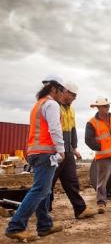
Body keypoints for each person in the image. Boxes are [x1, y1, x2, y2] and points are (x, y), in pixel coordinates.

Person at [5, 78, 65, 242]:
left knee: (45, 189)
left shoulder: (39, 104)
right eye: (62, 91)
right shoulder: (51, 104)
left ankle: (45, 225)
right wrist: (61, 149)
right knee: (40, 189)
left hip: (36, 152)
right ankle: (15, 227)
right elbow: (54, 128)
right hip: (45, 152)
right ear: (54, 89)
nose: (63, 95)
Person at [49, 81, 97, 219]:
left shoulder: (71, 110)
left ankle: (80, 209)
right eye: (73, 95)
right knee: (48, 182)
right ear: (65, 92)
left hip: (68, 152)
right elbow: (54, 130)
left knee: (71, 181)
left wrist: (74, 148)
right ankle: (45, 210)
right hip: (55, 151)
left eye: (75, 96)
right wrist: (58, 149)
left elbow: (72, 129)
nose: (74, 99)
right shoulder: (54, 106)